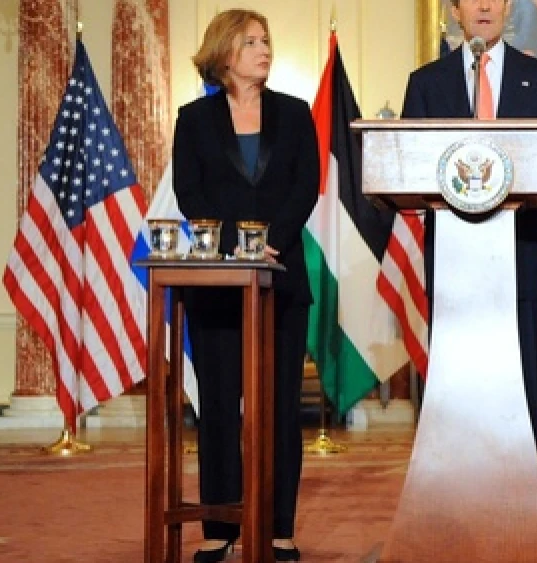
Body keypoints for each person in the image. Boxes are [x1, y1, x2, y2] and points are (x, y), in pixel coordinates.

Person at [172, 9, 319, 563]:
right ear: (225, 53)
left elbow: (306, 186)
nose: (264, 50)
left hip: (282, 280)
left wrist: (267, 243)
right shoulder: (194, 119)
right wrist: (240, 245)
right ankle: (219, 528)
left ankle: (278, 528)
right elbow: (190, 192)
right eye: (251, 41)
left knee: (280, 409)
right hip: (218, 284)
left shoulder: (295, 113)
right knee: (218, 407)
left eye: (266, 40)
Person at [402, 0, 537, 456]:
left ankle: (524, 483)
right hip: (454, 260)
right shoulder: (426, 83)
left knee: (522, 376)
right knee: (457, 380)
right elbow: (409, 163)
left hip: (520, 252)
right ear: (454, 11)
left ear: (508, 8)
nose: (483, 5)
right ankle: (456, 481)